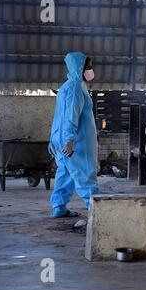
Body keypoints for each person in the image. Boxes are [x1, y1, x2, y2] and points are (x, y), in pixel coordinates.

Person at [48, 52, 99, 218]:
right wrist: (70, 139)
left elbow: (59, 117)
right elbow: (71, 115)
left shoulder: (66, 87)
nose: (91, 70)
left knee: (65, 174)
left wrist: (54, 139)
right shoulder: (76, 87)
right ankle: (98, 213)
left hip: (61, 138)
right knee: (85, 175)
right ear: (80, 68)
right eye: (88, 67)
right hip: (77, 141)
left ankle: (58, 208)